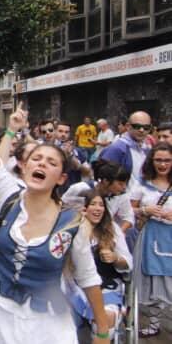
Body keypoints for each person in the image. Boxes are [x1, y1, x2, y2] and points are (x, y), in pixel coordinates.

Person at [0, 67, 109, 344]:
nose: (41, 163)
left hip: (49, 326)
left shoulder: (72, 222)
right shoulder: (9, 196)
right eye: (36, 158)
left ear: (61, 177)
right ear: (23, 168)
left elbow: (89, 278)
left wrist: (103, 332)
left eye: (51, 162)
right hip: (3, 319)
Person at [68, 190, 132, 338]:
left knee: (105, 320)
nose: (98, 208)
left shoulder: (113, 229)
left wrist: (116, 258)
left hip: (106, 285)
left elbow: (128, 263)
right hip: (75, 286)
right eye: (93, 204)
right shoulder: (71, 228)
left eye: (101, 205)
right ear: (84, 207)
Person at [129, 142, 172, 338]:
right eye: (159, 160)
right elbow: (128, 211)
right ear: (151, 161)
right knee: (151, 277)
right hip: (150, 236)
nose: (163, 164)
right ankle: (154, 323)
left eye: (167, 160)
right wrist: (145, 210)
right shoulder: (142, 184)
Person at [62, 159, 134, 233]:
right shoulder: (80, 188)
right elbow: (62, 207)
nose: (124, 187)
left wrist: (118, 234)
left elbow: (128, 216)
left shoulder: (121, 196)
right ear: (106, 181)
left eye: (125, 183)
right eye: (120, 184)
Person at [100, 111, 152, 189]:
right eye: (137, 126)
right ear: (128, 126)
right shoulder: (117, 148)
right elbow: (104, 179)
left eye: (146, 127)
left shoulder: (147, 148)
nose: (142, 130)